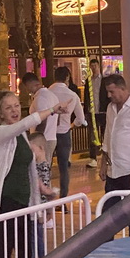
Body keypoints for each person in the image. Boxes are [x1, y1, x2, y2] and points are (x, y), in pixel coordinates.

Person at [0, 89, 63, 258]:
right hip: (8, 199)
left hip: (25, 199)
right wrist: (51, 110)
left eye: (17, 105)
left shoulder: (22, 135)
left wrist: (44, 192)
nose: (14, 110)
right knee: (5, 245)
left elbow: (29, 168)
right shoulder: (0, 132)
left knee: (25, 246)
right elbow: (27, 122)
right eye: (8, 108)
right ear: (0, 113)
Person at [99, 74, 130, 236]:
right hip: (114, 170)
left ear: (122, 89)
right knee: (107, 215)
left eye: (112, 92)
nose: (109, 96)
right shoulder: (110, 108)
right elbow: (107, 136)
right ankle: (107, 246)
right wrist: (103, 163)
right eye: (108, 92)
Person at [49, 67, 87, 197]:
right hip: (64, 133)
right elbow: (81, 119)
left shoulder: (47, 93)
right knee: (64, 168)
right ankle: (63, 199)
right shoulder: (72, 95)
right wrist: (71, 125)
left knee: (45, 166)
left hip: (48, 134)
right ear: (67, 78)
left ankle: (45, 198)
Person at [23, 71, 58, 165]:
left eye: (26, 86)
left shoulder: (40, 98)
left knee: (41, 168)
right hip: (51, 136)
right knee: (46, 167)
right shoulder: (52, 95)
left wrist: (36, 139)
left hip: (43, 139)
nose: (27, 90)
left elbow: (42, 120)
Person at [84, 58, 104, 168]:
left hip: (102, 111)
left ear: (98, 66)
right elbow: (86, 96)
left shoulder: (104, 80)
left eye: (95, 65)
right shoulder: (88, 81)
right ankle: (93, 158)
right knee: (92, 135)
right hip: (92, 112)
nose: (94, 68)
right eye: (92, 66)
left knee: (105, 134)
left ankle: (106, 157)